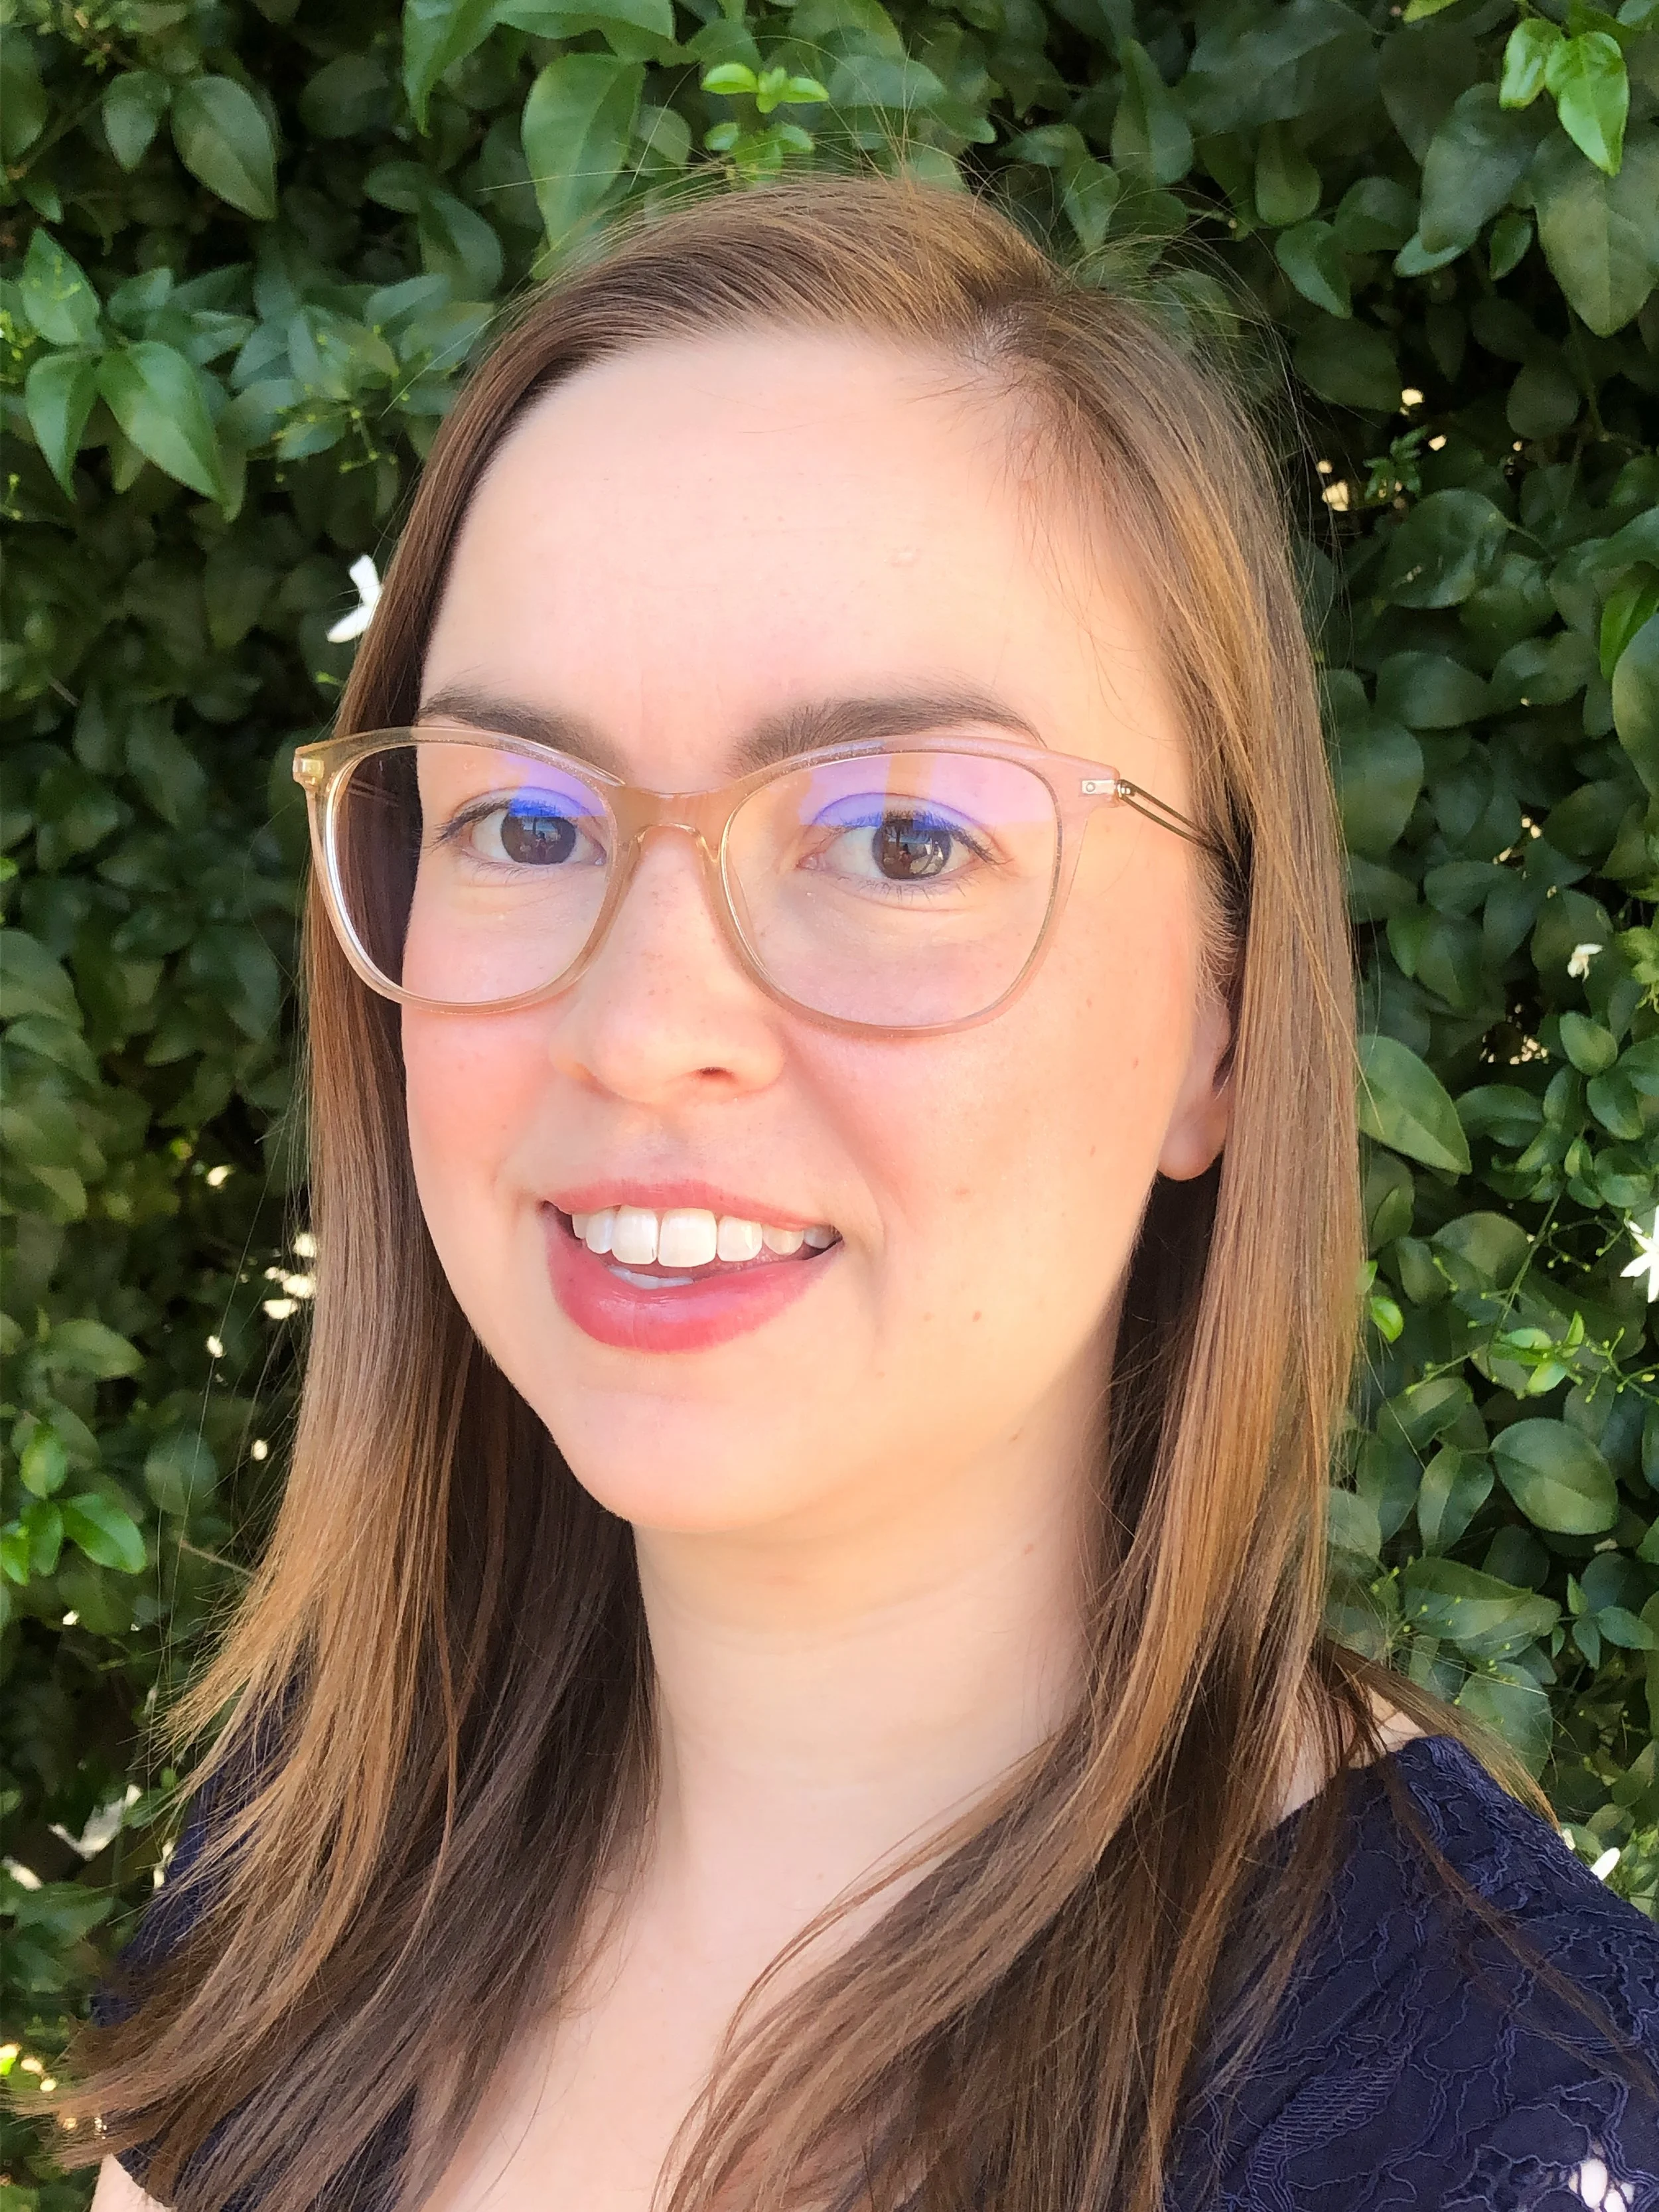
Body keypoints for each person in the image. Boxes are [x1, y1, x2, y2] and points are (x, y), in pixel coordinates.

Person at [65, 177, 1658, 2212]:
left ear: (1219, 1029)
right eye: (523, 819)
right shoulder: (315, 1855)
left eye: (901, 838)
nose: (644, 1026)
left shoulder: (1484, 2124)